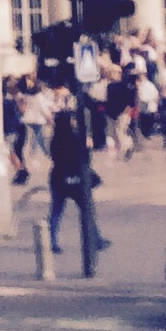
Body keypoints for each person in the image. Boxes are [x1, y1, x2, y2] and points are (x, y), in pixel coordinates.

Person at [45, 100, 105, 273]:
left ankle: (51, 240)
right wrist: (88, 147)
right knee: (86, 209)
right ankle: (96, 239)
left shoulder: (55, 139)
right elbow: (83, 158)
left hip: (58, 178)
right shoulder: (76, 137)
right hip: (76, 178)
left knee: (56, 212)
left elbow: (54, 157)